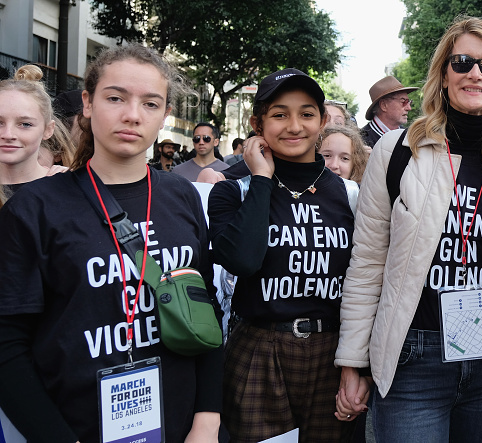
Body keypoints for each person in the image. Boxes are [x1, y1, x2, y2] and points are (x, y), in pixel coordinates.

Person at [334, 16, 482, 443]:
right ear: (443, 75)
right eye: (462, 62)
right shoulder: (396, 152)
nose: (476, 73)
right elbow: (367, 265)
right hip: (412, 362)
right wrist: (352, 365)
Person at [0, 44, 222, 442]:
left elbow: (208, 312)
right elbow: (7, 346)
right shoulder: (34, 209)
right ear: (87, 103)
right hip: (75, 425)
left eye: (150, 104)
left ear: (165, 115)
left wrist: (207, 419)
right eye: (115, 98)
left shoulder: (182, 196)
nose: (132, 115)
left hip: (182, 425)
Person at [208, 68, 357, 442]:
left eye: (306, 114)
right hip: (260, 349)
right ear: (257, 122)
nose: (294, 126)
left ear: (322, 121)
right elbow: (242, 260)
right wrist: (260, 178)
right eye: (279, 114)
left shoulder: (351, 194)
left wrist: (360, 367)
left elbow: (365, 284)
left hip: (332, 353)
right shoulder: (233, 192)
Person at [0, 64, 74, 198]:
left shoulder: (69, 188)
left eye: (25, 124)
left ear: (48, 130)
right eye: (0, 123)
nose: (8, 134)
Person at [360, 76, 418, 147]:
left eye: (409, 102)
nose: (409, 108)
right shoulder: (360, 140)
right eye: (403, 101)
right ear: (384, 105)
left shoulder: (409, 136)